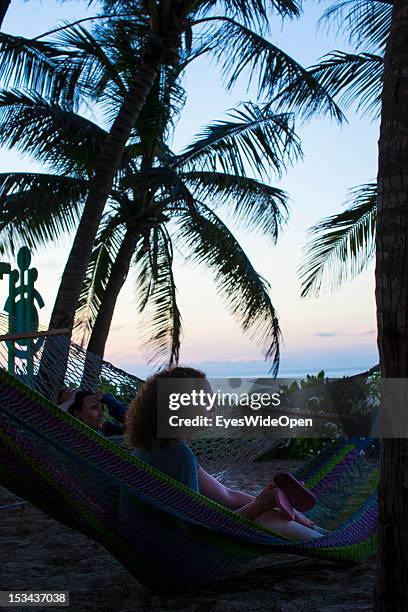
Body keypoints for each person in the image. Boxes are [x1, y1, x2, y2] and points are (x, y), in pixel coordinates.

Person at [124, 366, 325, 542]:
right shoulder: (176, 456)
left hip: (150, 550)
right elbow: (199, 531)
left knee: (267, 513)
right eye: (205, 399)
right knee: (266, 520)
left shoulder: (156, 448)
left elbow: (226, 495)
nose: (213, 406)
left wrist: (272, 501)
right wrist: (260, 505)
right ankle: (327, 543)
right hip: (176, 557)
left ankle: (319, 533)